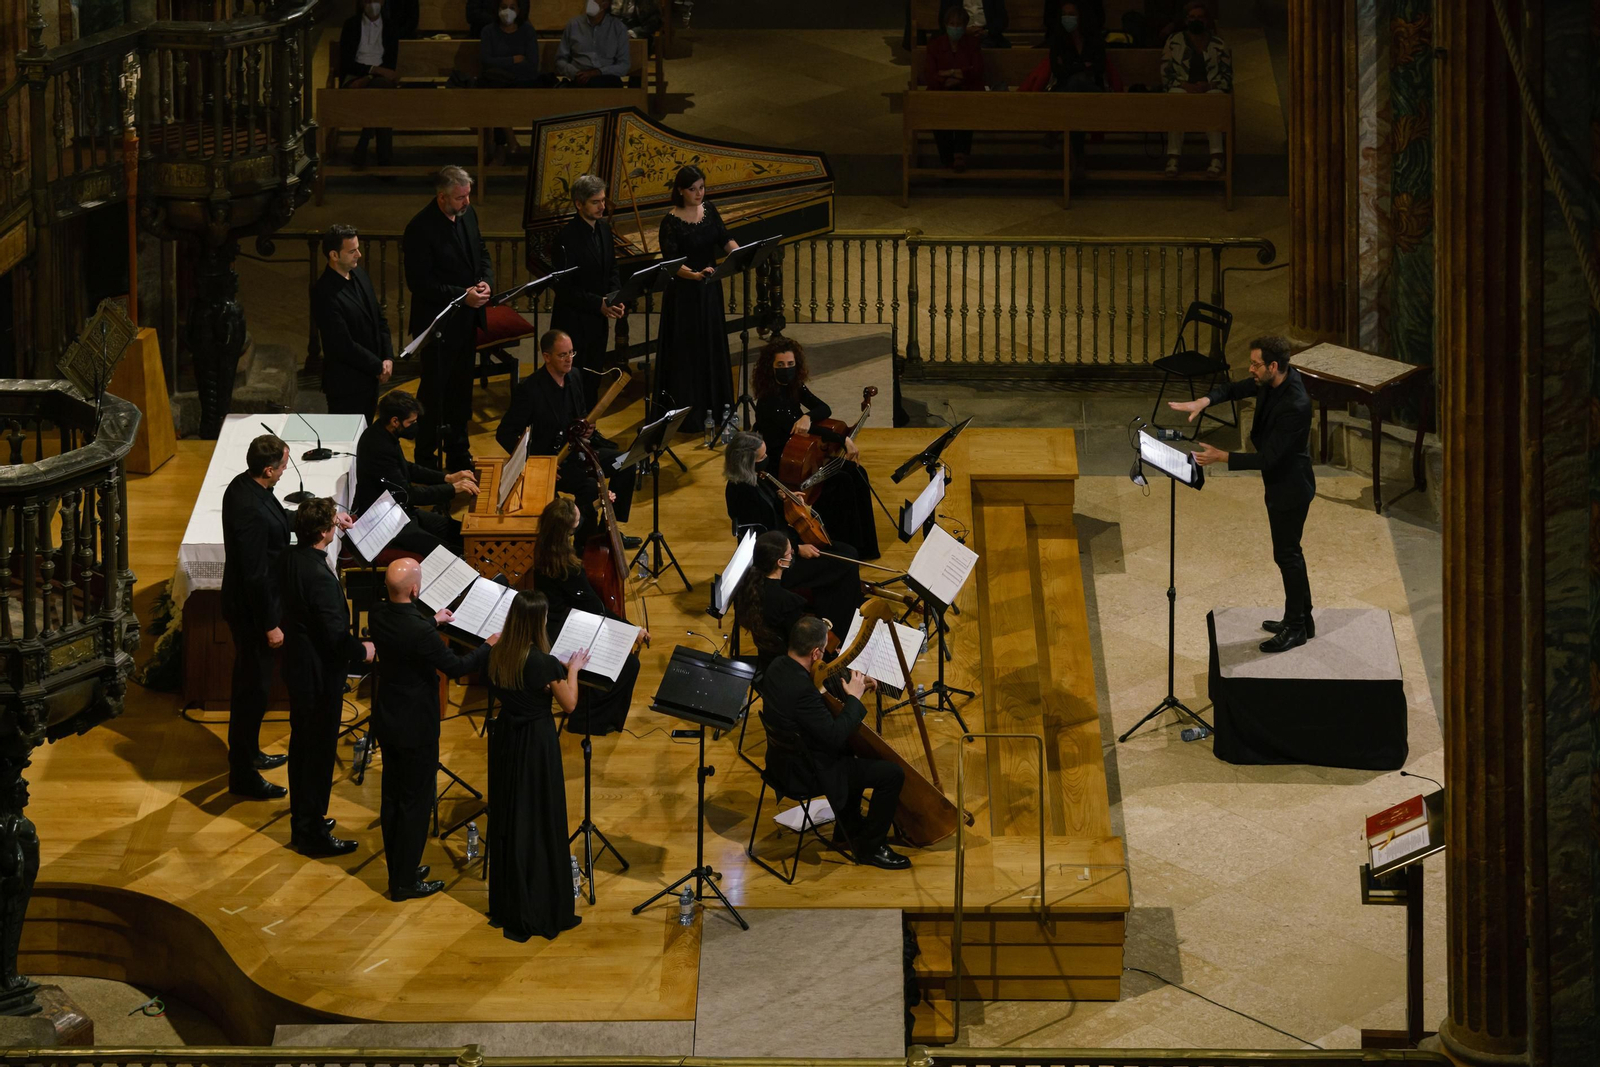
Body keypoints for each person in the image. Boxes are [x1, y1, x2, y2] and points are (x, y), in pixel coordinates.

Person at [1168, 336, 1314, 653]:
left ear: (1273, 366)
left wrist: (1223, 457)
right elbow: (1234, 389)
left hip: (1291, 485)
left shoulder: (1296, 404)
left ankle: (1297, 627)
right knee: (1290, 553)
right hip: (1280, 482)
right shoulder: (1271, 382)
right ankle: (1303, 618)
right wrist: (1203, 401)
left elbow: (1269, 458)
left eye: (1255, 364)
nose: (1251, 369)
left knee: (1287, 555)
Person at [368, 557, 497, 900]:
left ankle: (401, 868)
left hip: (389, 717)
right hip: (416, 726)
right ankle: (404, 883)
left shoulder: (378, 614)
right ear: (414, 589)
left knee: (393, 797)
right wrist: (488, 647)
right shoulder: (420, 631)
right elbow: (455, 667)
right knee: (415, 802)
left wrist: (432, 621)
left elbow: (407, 633)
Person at [759, 616, 910, 871]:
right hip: (805, 774)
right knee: (891, 774)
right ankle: (871, 848)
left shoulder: (777, 667)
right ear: (817, 652)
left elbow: (816, 688)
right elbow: (834, 735)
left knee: (853, 749)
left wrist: (853, 684)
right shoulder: (802, 692)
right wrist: (855, 698)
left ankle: (846, 828)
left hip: (780, 764)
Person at [485, 590, 587, 940]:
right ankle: (541, 903)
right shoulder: (544, 663)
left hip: (507, 742)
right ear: (537, 621)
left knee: (513, 817)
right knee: (540, 817)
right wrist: (572, 670)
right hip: (537, 745)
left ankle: (511, 900)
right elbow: (570, 704)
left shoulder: (498, 653)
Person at [277, 497, 374, 857]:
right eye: (334, 523)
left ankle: (305, 817)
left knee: (303, 747)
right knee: (316, 754)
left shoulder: (293, 557)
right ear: (323, 532)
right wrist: (363, 650)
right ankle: (310, 831)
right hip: (318, 677)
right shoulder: (319, 575)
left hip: (300, 667)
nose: (338, 527)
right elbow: (334, 635)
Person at [496, 329, 638, 548]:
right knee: (589, 488)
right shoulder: (530, 389)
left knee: (627, 462)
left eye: (571, 353)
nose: (569, 359)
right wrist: (535, 462)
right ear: (547, 356)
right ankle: (586, 545)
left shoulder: (574, 376)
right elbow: (504, 433)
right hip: (554, 464)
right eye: (562, 355)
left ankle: (608, 532)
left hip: (580, 452)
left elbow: (580, 415)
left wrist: (588, 430)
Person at [723, 430, 862, 636]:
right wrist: (797, 549)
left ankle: (842, 617)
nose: (766, 461)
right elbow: (761, 540)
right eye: (761, 458)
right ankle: (838, 630)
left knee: (848, 553)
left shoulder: (757, 476)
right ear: (746, 461)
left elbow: (769, 508)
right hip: (776, 562)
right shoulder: (741, 492)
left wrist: (784, 499)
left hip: (786, 542)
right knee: (845, 563)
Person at [752, 337, 880, 560]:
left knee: (857, 472)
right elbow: (798, 432)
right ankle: (844, 547)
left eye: (790, 365)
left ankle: (866, 547)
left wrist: (807, 417)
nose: (786, 370)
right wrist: (842, 439)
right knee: (842, 482)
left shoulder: (793, 387)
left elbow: (823, 408)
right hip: (787, 465)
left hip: (804, 453)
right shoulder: (767, 400)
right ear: (769, 368)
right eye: (780, 365)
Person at [221, 434, 298, 800]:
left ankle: (249, 752)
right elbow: (254, 574)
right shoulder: (248, 507)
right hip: (252, 615)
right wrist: (270, 624)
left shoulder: (246, 485)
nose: (286, 472)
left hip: (252, 608)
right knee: (252, 691)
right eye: (283, 466)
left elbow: (279, 520)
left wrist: (326, 516)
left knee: (255, 688)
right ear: (268, 469)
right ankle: (243, 776)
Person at [403, 166, 494, 471]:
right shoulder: (420, 228)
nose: (466, 202)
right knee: (433, 394)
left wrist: (485, 281)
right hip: (438, 326)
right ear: (442, 197)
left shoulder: (468, 215)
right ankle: (426, 459)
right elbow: (420, 283)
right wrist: (461, 294)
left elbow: (481, 252)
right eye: (460, 197)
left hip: (466, 322)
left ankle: (459, 453)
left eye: (467, 195)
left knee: (461, 393)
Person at [531, 497, 644, 735]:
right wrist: (632, 630)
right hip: (564, 629)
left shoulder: (542, 545)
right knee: (629, 665)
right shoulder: (568, 567)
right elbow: (595, 608)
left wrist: (595, 506)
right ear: (569, 529)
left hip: (548, 622)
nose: (581, 519)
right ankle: (588, 718)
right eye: (578, 519)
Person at [654, 165, 739, 431]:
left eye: (702, 187)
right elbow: (671, 262)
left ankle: (716, 408)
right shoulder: (670, 221)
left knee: (710, 346)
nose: (699, 193)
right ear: (680, 191)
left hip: (709, 290)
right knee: (688, 352)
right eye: (693, 189)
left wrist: (738, 252)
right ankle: (688, 416)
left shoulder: (710, 210)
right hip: (684, 295)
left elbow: (724, 238)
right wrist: (695, 275)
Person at [354, 391, 479, 556]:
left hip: (400, 510)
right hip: (385, 521)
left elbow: (407, 468)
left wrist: (446, 477)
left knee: (460, 533)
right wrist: (452, 489)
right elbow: (408, 494)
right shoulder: (378, 446)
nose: (415, 426)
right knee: (447, 553)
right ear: (395, 421)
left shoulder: (383, 433)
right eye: (411, 422)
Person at [312, 224, 393, 422]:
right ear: (334, 255)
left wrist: (388, 357)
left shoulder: (360, 274)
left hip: (370, 379)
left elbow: (379, 319)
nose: (359, 254)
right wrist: (378, 366)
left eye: (358, 248)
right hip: (347, 385)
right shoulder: (324, 293)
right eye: (352, 250)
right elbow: (343, 344)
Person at [550, 174, 625, 378]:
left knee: (593, 376)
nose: (602, 206)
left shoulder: (604, 228)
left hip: (597, 321)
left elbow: (613, 267)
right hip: (574, 322)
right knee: (574, 379)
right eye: (595, 202)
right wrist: (597, 303)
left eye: (603, 200)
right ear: (579, 204)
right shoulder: (566, 238)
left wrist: (615, 296)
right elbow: (565, 289)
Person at [1160, 0, 1231, 178]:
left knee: (1214, 100)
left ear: (1207, 20)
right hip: (1183, 87)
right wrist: (1185, 85)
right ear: (1186, 20)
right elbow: (1166, 72)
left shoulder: (1219, 44)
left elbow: (1227, 76)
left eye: (1199, 17)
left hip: (1210, 88)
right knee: (1176, 98)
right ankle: (1173, 157)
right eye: (1192, 17)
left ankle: (1216, 156)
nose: (1196, 20)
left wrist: (1209, 85)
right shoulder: (1174, 41)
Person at [732, 530, 808, 672]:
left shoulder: (748, 590)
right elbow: (799, 644)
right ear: (780, 562)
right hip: (788, 669)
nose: (792, 553)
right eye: (789, 552)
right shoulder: (788, 602)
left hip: (767, 661)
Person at [338, 0, 399, 168]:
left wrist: (371, 77)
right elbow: (346, 63)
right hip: (354, 77)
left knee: (380, 90)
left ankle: (364, 141)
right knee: (382, 98)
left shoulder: (390, 27)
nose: (373, 4)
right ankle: (385, 159)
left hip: (378, 81)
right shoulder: (351, 25)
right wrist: (373, 71)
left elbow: (390, 65)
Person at [925, 5, 983, 172]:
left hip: (966, 91)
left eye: (959, 25)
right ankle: (946, 157)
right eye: (952, 24)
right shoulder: (935, 45)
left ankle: (959, 154)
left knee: (965, 106)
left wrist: (952, 74)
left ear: (965, 27)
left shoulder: (972, 44)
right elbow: (931, 74)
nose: (955, 28)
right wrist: (955, 75)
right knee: (939, 110)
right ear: (945, 25)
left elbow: (977, 70)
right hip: (941, 92)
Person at [555, 0, 630, 87]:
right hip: (579, 79)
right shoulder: (573, 25)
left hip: (607, 79)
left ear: (605, 4)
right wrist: (576, 74)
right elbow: (560, 59)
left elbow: (624, 65)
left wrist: (598, 72)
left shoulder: (618, 27)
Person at [479, 0, 547, 88]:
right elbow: (486, 61)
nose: (507, 11)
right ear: (498, 9)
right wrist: (513, 60)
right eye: (503, 7)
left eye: (512, 8)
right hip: (495, 82)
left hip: (523, 82)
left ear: (518, 10)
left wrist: (499, 64)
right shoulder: (488, 31)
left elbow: (532, 63)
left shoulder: (528, 30)